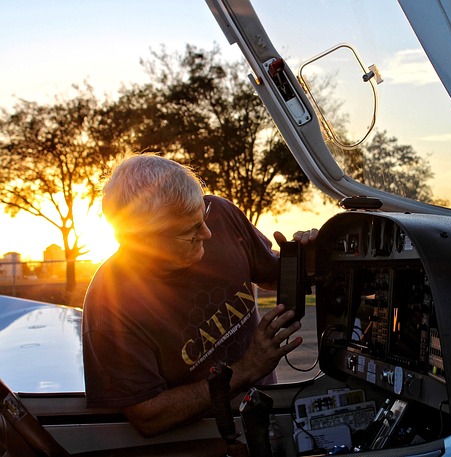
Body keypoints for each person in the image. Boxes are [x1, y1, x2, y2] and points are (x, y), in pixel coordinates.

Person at [82, 153, 315, 439]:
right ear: (142, 241)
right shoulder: (111, 304)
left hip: (267, 414)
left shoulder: (220, 214)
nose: (206, 232)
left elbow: (271, 275)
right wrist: (245, 370)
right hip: (206, 438)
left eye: (201, 216)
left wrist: (309, 259)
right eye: (190, 230)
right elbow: (147, 416)